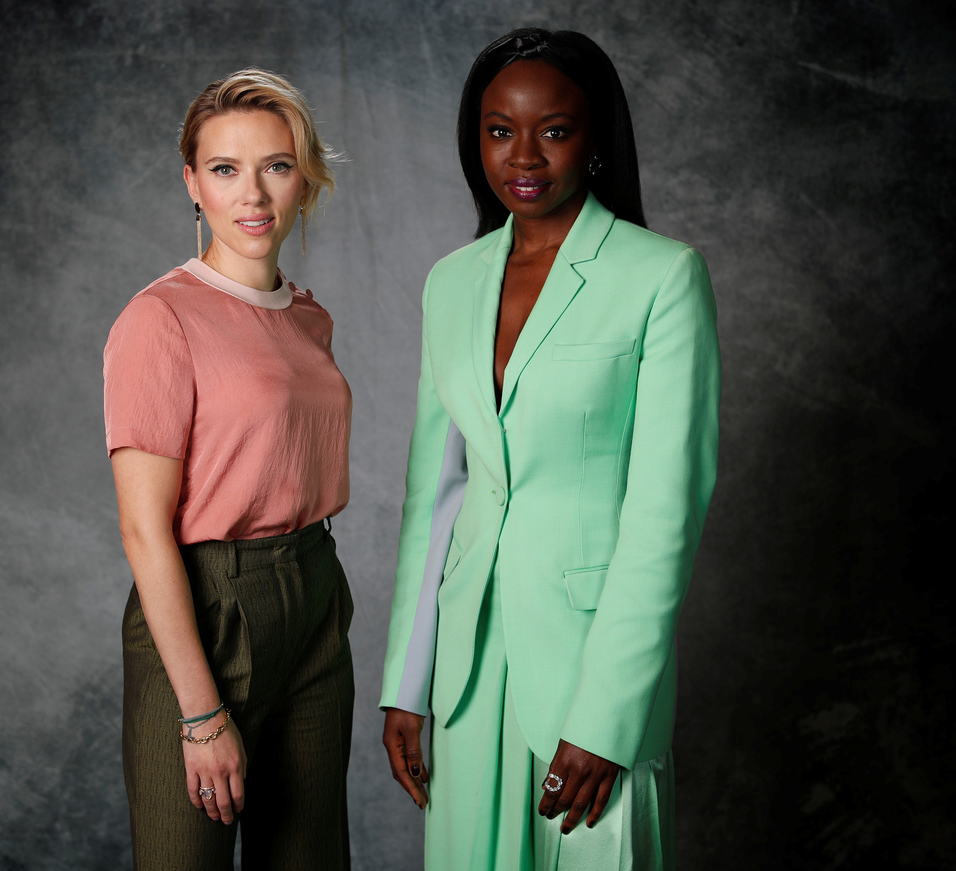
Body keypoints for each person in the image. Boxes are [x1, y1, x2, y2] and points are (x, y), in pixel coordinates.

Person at [381, 28, 721, 870]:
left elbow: (665, 514)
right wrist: (407, 683)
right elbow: (435, 496)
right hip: (467, 668)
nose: (523, 156)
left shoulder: (661, 276)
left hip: (590, 664)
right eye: (499, 130)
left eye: (554, 130)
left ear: (595, 138)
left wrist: (609, 716)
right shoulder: (451, 281)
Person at [104, 69, 353, 871]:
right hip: (208, 605)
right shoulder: (160, 318)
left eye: (276, 166)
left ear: (303, 178)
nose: (253, 193)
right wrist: (201, 713)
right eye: (225, 168)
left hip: (313, 596)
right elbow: (144, 528)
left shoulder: (309, 317)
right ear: (192, 183)